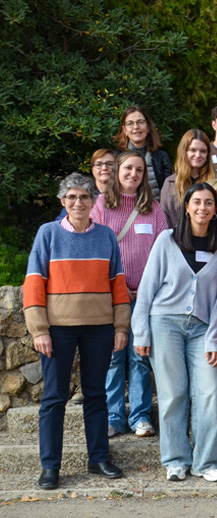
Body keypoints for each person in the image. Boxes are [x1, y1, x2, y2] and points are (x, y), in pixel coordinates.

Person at [24, 173, 130, 490]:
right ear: (62, 202)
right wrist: (39, 329)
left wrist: (121, 325)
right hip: (57, 329)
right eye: (71, 197)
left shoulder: (107, 236)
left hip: (99, 327)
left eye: (84, 196)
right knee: (54, 399)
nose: (78, 202)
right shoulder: (48, 234)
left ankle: (98, 459)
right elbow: (33, 284)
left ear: (93, 200)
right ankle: (50, 467)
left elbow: (118, 284)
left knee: (97, 395)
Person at [132, 182, 217, 483]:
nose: (203, 208)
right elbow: (148, 288)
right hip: (164, 323)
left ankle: (207, 462)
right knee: (173, 393)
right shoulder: (166, 240)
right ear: (186, 207)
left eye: (209, 203)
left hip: (202, 328)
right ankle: (176, 459)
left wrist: (216, 337)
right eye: (197, 202)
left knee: (209, 393)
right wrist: (140, 333)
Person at [90, 151, 168, 439]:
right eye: (128, 168)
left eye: (138, 169)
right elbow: (96, 249)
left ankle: (140, 417)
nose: (133, 173)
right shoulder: (100, 206)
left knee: (139, 356)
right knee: (112, 357)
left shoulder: (154, 209)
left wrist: (151, 289)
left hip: (145, 297)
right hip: (112, 297)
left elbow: (164, 253)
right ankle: (113, 417)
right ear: (117, 171)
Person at [113, 105, 173, 201]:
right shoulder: (116, 157)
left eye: (140, 122)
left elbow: (169, 191)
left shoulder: (161, 157)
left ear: (148, 127)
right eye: (130, 123)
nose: (136, 127)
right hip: (125, 212)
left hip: (157, 212)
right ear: (124, 130)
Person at [160, 129, 217, 229]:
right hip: (177, 240)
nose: (198, 155)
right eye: (193, 150)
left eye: (203, 151)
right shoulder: (170, 183)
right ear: (184, 152)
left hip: (211, 239)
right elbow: (164, 219)